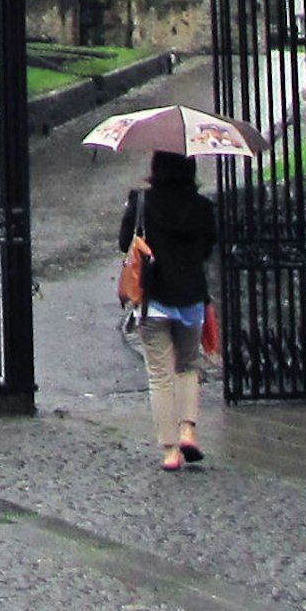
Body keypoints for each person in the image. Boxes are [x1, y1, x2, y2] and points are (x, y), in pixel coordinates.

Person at [117, 148, 218, 471]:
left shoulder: (142, 202)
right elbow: (207, 249)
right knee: (188, 365)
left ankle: (170, 450)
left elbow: (124, 242)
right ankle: (188, 429)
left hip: (154, 299)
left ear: (155, 167)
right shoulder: (202, 207)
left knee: (160, 376)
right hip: (191, 298)